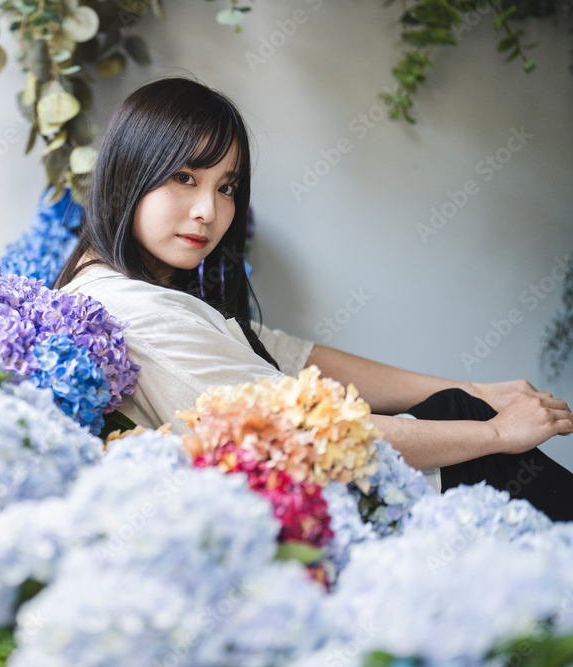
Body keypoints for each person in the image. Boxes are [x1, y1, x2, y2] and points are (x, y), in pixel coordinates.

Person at [54, 77, 573, 521]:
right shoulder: (134, 311)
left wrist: (476, 389)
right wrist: (498, 433)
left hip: (331, 493)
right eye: (184, 177)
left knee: (459, 406)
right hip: (330, 513)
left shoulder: (135, 290)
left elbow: (294, 357)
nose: (208, 211)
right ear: (128, 173)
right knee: (469, 426)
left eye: (227, 187)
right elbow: (303, 431)